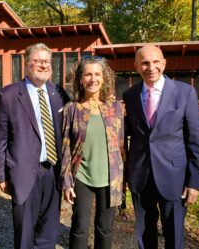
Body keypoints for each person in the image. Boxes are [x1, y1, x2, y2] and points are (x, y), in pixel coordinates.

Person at [123, 44, 199, 249]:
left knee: (174, 232)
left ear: (164, 63)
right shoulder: (130, 95)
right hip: (140, 175)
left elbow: (195, 140)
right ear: (136, 66)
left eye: (156, 61)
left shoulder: (185, 92)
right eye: (144, 62)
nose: (151, 67)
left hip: (174, 176)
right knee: (144, 232)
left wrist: (194, 182)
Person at [0, 43, 69, 249]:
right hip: (24, 172)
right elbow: (1, 138)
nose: (43, 65)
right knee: (25, 232)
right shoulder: (9, 95)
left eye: (46, 61)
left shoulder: (58, 93)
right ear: (26, 65)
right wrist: (1, 174)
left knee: (49, 230)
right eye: (37, 61)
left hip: (53, 171)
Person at [60, 56, 125, 249]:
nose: (93, 79)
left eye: (97, 74)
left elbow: (122, 146)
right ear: (81, 79)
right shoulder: (72, 109)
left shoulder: (116, 108)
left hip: (110, 177)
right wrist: (66, 181)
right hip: (82, 177)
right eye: (88, 74)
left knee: (105, 228)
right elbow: (65, 146)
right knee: (79, 227)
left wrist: (124, 182)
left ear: (104, 78)